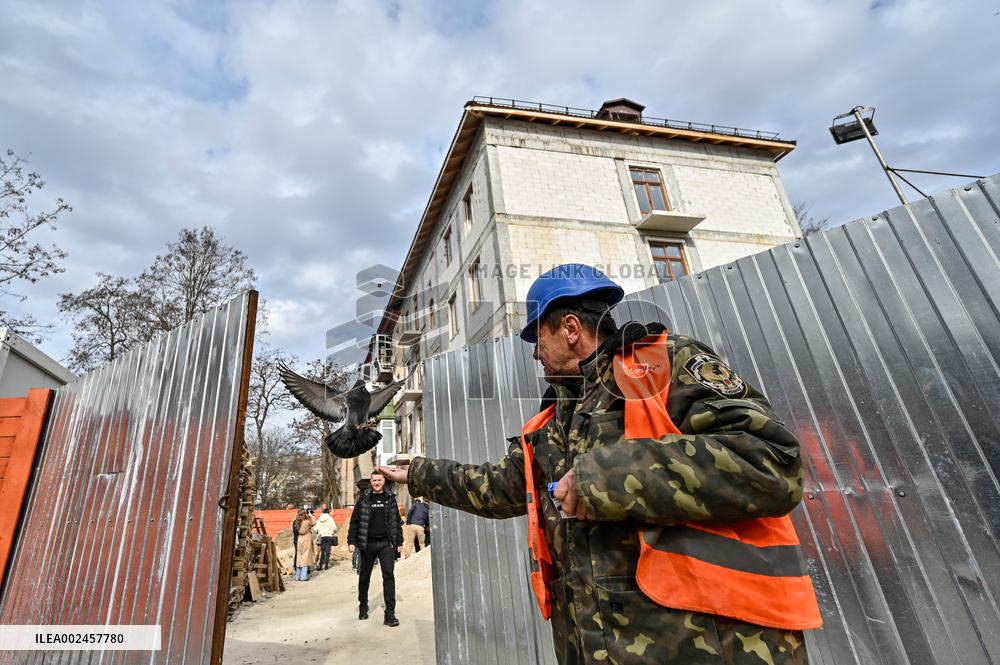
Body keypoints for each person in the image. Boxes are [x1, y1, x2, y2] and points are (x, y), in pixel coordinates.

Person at [377, 263, 822, 665]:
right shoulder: (555, 420)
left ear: (570, 327)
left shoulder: (663, 365)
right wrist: (413, 473)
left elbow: (772, 461)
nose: (535, 354)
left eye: (538, 338)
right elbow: (498, 487)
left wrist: (603, 478)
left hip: (709, 645)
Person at [348, 470, 403, 627]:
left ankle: (390, 615)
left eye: (380, 480)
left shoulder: (390, 499)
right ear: (371, 482)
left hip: (386, 544)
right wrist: (351, 541)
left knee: (389, 576)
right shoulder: (363, 499)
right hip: (367, 544)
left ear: (384, 481)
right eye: (374, 480)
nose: (377, 483)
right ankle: (363, 606)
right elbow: (355, 521)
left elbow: (396, 521)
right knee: (364, 576)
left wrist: (399, 541)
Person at [295, 509, 315, 581]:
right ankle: (303, 576)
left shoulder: (297, 522)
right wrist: (311, 515)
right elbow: (314, 523)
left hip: (299, 539)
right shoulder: (306, 522)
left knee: (299, 557)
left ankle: (298, 576)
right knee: (305, 558)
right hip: (306, 540)